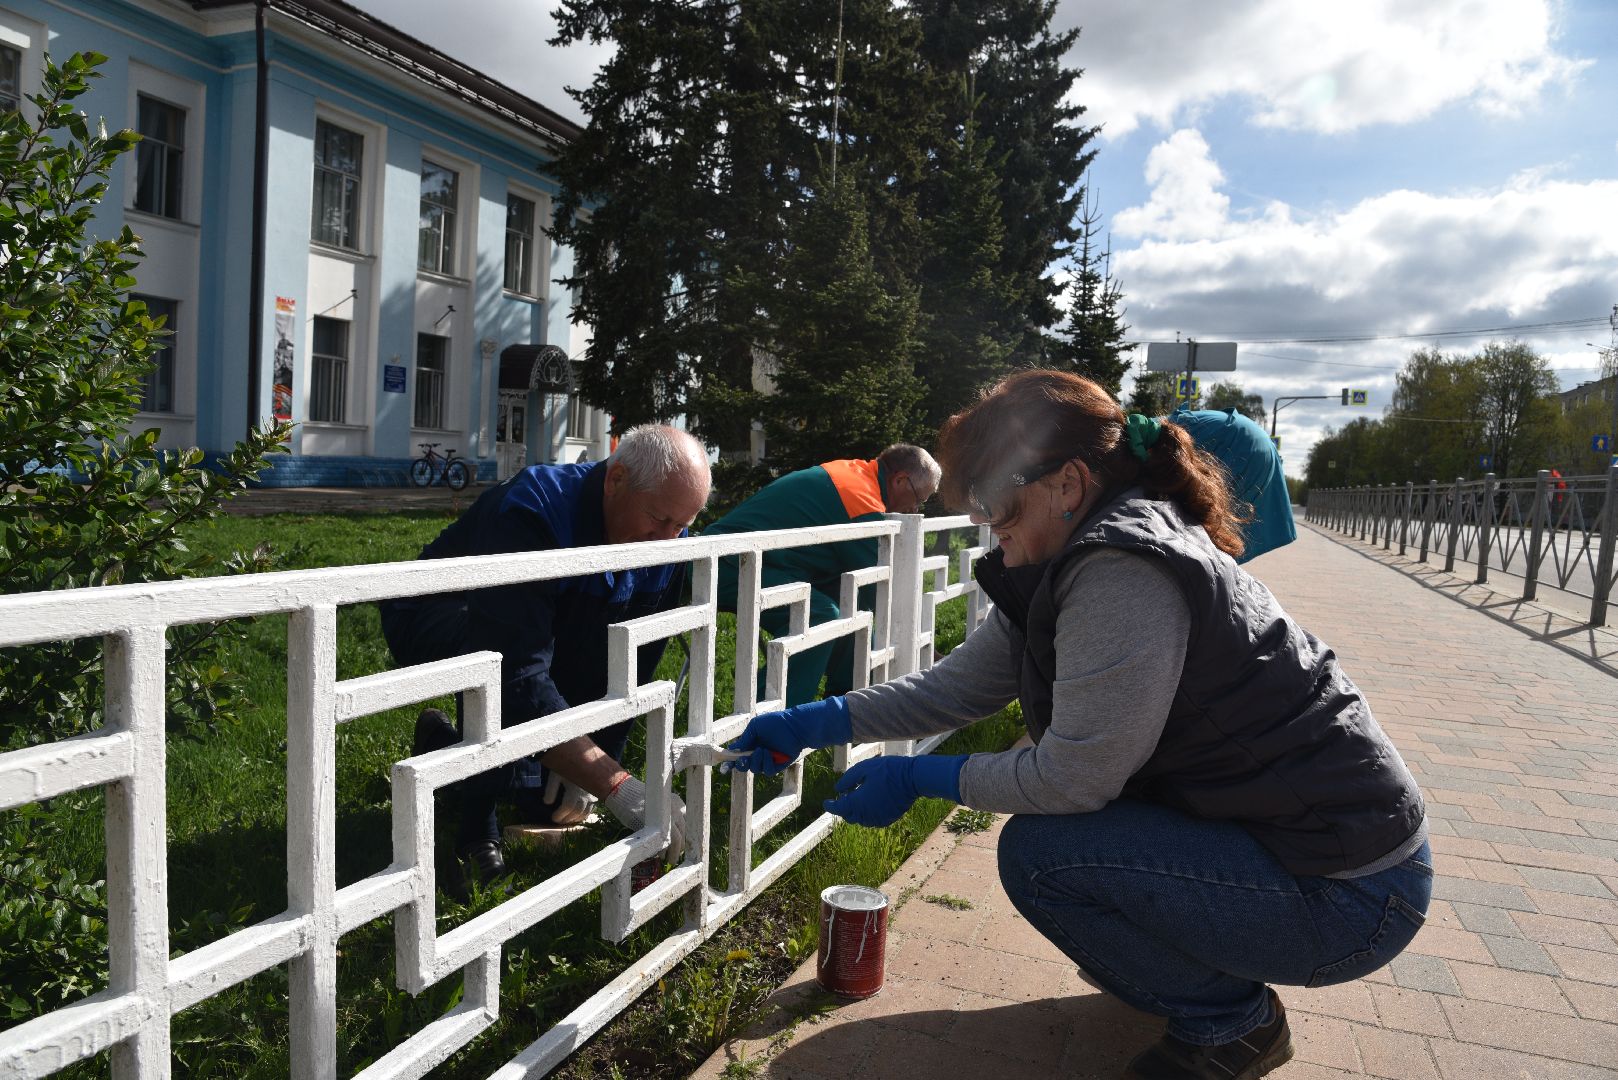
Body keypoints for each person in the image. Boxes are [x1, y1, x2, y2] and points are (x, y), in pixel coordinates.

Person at [730, 371, 1429, 1080]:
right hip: (1298, 845)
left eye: (997, 500)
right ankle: (1190, 976)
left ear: (1066, 484)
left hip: (1348, 893)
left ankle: (1232, 1026)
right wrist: (819, 721)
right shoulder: (1078, 550)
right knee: (1080, 842)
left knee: (1045, 855)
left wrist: (922, 776)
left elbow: (1072, 778)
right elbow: (959, 689)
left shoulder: (1122, 569)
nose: (986, 522)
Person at [380, 424, 710, 892]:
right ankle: (476, 829)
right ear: (616, 480)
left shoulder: (666, 532)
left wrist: (596, 762)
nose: (667, 539)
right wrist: (616, 784)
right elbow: (514, 669)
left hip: (545, 621)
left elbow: (629, 661)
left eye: (682, 525)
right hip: (440, 611)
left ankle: (441, 744)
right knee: (491, 673)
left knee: (543, 797)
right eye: (658, 519)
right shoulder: (534, 509)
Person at [702, 444, 940, 707]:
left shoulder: (858, 477)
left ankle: (843, 712)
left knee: (853, 609)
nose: (916, 509)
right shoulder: (861, 502)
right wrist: (928, 656)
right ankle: (767, 725)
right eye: (920, 498)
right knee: (818, 615)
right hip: (725, 564)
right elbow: (887, 597)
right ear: (900, 480)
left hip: (761, 561)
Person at [1168, 405, 1296, 561]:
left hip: (1235, 446)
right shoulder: (1142, 431)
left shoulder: (1138, 446)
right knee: (1218, 539)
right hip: (1248, 439)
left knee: (1206, 543)